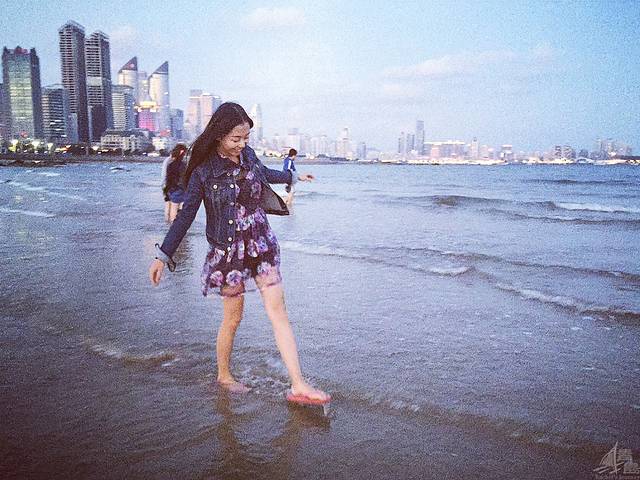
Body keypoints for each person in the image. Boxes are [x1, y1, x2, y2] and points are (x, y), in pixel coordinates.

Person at [149, 102, 329, 403]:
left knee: (278, 312)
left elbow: (265, 173)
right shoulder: (204, 172)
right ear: (219, 135)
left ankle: (298, 384)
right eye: (236, 138)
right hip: (228, 253)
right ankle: (224, 375)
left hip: (261, 245)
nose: (242, 144)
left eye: (246, 138)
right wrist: (163, 255)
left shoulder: (249, 156)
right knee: (233, 319)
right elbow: (185, 216)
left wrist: (294, 177)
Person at [164, 143, 188, 223]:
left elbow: (167, 177)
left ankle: (171, 226)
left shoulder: (170, 164)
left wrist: (167, 189)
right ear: (182, 153)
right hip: (179, 189)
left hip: (171, 188)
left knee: (172, 208)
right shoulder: (183, 165)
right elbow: (183, 178)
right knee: (180, 210)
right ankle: (176, 226)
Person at [160, 154, 172, 222]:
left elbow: (163, 175)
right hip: (167, 185)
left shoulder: (166, 160)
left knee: (167, 204)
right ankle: (168, 221)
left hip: (165, 185)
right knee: (169, 204)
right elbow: (165, 174)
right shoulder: (169, 161)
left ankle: (167, 221)